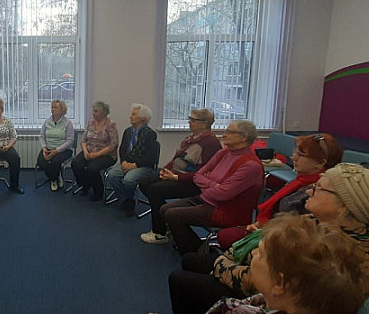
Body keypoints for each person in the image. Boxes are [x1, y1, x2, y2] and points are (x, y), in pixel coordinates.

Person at [168, 163, 369, 314]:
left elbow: (262, 284)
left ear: (345, 207)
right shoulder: (341, 228)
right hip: (273, 285)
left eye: (319, 189)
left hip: (281, 310)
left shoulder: (332, 249)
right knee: (192, 260)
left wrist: (222, 264)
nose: (309, 192)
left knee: (181, 279)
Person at [112, 214, 367, 314]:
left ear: (280, 282)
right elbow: (248, 309)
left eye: (261, 254)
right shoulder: (313, 310)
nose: (254, 254)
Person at [215, 133, 343, 249]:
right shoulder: (301, 179)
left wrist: (263, 231)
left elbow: (296, 235)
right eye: (295, 152)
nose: (293, 158)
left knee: (226, 237)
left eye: (301, 155)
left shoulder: (317, 193)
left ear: (320, 163)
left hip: (278, 241)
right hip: (269, 228)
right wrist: (259, 225)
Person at [159, 120, 264, 254]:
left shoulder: (250, 165)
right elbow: (198, 175)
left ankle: (193, 254)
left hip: (226, 210)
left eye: (229, 132)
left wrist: (206, 185)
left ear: (243, 137)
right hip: (207, 199)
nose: (224, 135)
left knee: (172, 215)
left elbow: (223, 194)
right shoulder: (224, 153)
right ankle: (197, 249)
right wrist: (213, 185)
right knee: (165, 209)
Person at [139, 108, 222, 244]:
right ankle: (165, 219)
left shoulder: (211, 143)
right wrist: (165, 170)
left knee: (155, 190)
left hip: (192, 182)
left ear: (205, 123)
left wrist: (175, 177)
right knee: (144, 182)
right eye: (190, 118)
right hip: (176, 174)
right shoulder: (190, 139)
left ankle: (160, 233)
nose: (189, 122)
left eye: (193, 120)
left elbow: (204, 173)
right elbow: (177, 159)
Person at [106, 104, 158, 217]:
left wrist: (135, 165)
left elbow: (150, 157)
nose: (130, 116)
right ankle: (126, 200)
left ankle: (128, 201)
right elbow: (122, 150)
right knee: (112, 175)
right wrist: (124, 162)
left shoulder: (150, 134)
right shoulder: (128, 131)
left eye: (134, 115)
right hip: (127, 163)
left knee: (128, 180)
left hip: (143, 166)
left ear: (142, 118)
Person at [71, 101, 119, 201]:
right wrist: (85, 152)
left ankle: (98, 191)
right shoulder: (90, 123)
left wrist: (96, 154)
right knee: (75, 164)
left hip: (106, 155)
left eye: (96, 111)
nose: (93, 113)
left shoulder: (110, 125)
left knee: (91, 168)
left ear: (103, 113)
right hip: (89, 151)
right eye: (93, 111)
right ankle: (85, 184)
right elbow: (83, 140)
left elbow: (113, 145)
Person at [37, 99, 75, 191]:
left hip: (64, 150)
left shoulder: (68, 123)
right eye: (52, 107)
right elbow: (42, 136)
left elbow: (70, 140)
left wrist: (57, 150)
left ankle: (54, 180)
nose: (52, 109)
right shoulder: (47, 122)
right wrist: (44, 148)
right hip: (48, 148)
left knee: (54, 161)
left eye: (55, 107)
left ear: (62, 110)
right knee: (41, 162)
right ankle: (56, 175)